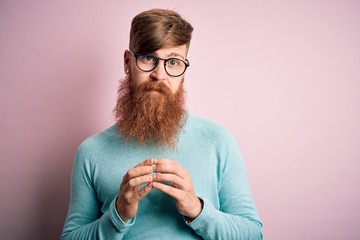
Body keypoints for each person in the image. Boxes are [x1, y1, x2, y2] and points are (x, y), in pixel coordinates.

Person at [61, 8, 263, 240]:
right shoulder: (91, 151)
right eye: (148, 58)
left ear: (183, 71)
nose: (160, 74)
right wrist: (117, 215)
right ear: (128, 62)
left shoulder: (218, 140)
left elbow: (253, 234)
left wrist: (197, 210)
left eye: (173, 62)